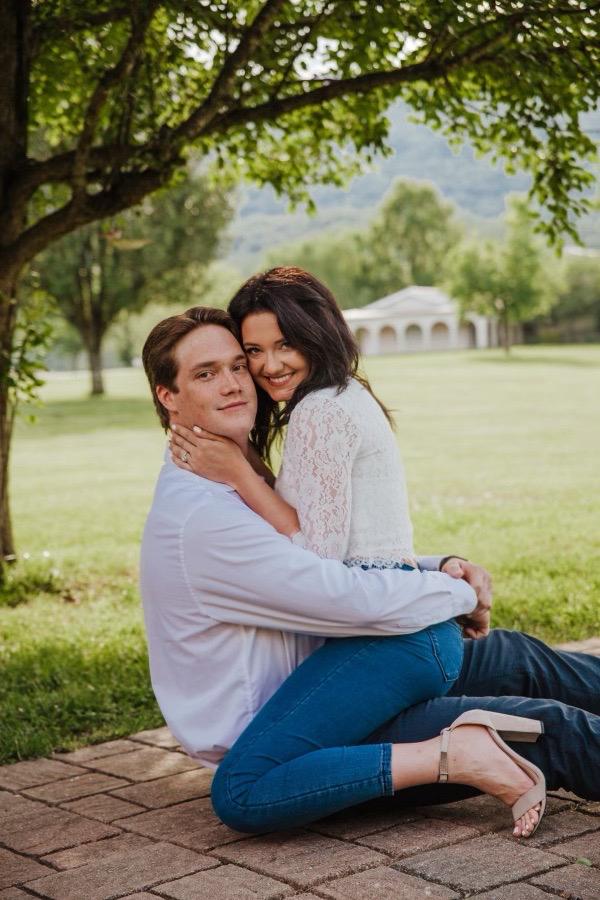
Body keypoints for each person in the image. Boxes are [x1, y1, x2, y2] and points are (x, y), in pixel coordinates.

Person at [140, 305, 600, 841]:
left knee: (513, 658)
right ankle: (462, 751)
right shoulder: (203, 517)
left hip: (342, 676)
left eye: (238, 365)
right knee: (541, 729)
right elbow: (342, 596)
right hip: (293, 735)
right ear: (168, 396)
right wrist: (452, 592)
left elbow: (315, 555)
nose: (234, 383)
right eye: (205, 373)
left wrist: (434, 567)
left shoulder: (234, 480)